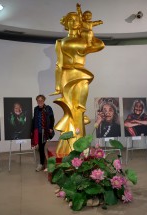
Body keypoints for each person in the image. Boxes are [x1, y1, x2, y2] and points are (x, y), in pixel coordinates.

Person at [51, 5, 104, 158]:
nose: (74, 22)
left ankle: (79, 144)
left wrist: (87, 30)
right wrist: (57, 85)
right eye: (71, 20)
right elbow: (58, 64)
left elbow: (100, 44)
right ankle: (69, 143)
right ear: (66, 23)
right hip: (67, 76)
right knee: (70, 108)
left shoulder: (84, 39)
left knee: (79, 109)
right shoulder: (60, 42)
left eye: (76, 19)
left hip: (81, 74)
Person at [31, 95, 55, 172]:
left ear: (44, 100)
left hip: (46, 131)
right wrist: (32, 130)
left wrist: (51, 128)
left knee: (42, 147)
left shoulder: (48, 108)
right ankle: (43, 163)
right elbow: (34, 119)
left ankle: (43, 164)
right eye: (38, 100)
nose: (40, 101)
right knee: (40, 148)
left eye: (41, 100)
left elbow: (51, 118)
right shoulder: (36, 109)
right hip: (38, 131)